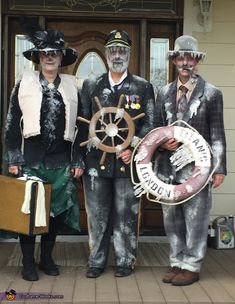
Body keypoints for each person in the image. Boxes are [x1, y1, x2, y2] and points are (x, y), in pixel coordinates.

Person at [4, 22, 84, 281]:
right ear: (38, 57)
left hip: (61, 161)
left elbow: (81, 126)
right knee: (28, 212)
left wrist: (78, 158)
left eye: (55, 53)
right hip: (31, 159)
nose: (50, 57)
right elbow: (12, 122)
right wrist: (14, 157)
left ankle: (46, 258)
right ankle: (28, 262)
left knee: (56, 212)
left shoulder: (74, 86)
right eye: (45, 53)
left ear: (61, 57)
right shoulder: (23, 83)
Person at [80, 29, 156, 278]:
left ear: (129, 54)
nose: (117, 54)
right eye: (113, 50)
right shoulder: (92, 85)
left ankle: (125, 261)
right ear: (106, 54)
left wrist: (133, 147)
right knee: (97, 215)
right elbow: (82, 125)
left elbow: (150, 125)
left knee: (127, 215)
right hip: (95, 164)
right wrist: (77, 158)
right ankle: (96, 261)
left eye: (122, 50)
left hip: (128, 164)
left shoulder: (143, 87)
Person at [155, 35, 227, 286]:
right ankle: (177, 262)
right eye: (181, 57)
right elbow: (155, 130)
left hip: (198, 168)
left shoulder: (211, 93)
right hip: (167, 169)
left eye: (190, 57)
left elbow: (218, 133)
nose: (185, 62)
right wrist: (162, 143)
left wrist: (220, 169)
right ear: (174, 60)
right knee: (172, 218)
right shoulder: (163, 92)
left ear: (196, 61)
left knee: (196, 218)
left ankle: (192, 265)